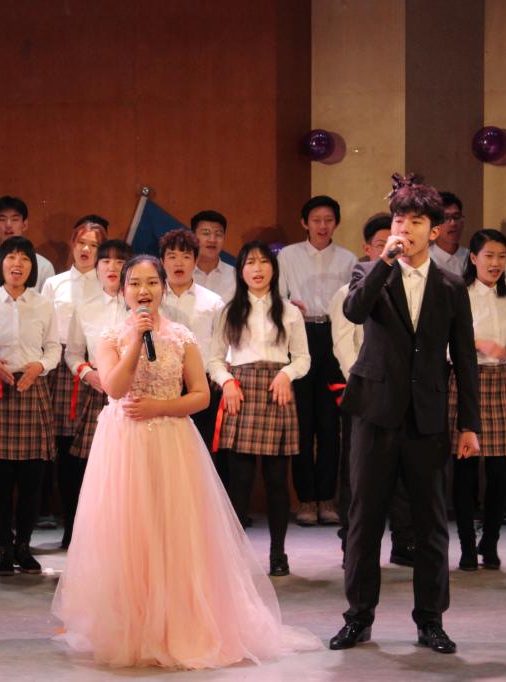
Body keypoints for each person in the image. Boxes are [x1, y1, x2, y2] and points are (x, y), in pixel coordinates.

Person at [53, 254, 320, 669]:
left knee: (173, 532)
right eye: (134, 283)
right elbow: (114, 387)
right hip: (123, 444)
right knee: (128, 532)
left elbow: (201, 395)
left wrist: (161, 407)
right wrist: (135, 343)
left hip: (172, 440)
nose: (143, 291)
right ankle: (132, 624)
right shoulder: (109, 336)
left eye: (151, 283)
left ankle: (179, 623)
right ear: (123, 290)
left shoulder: (182, 336)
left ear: (163, 288)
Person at [331, 175, 480, 655]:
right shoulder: (368, 271)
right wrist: (384, 261)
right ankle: (358, 617)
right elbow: (354, 312)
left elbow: (465, 358)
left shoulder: (451, 286)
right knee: (364, 519)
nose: (405, 229)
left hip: (427, 417)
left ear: (433, 231)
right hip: (373, 412)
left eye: (416, 222)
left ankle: (431, 621)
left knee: (430, 524)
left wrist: (469, 424)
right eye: (399, 220)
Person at [208, 242, 310, 576]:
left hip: (276, 391)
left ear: (273, 269)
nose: (257, 268)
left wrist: (286, 374)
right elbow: (214, 359)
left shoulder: (289, 311)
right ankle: (236, 558)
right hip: (240, 391)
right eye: (250, 262)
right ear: (240, 271)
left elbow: (303, 359)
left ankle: (278, 554)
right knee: (239, 480)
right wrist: (227, 382)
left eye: (264, 262)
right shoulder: (229, 311)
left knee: (277, 480)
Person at [329, 216, 414, 567]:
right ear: (368, 249)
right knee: (358, 473)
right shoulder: (349, 289)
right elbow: (343, 343)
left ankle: (404, 541)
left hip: (402, 390)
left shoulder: (413, 285)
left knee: (403, 470)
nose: (392, 248)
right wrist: (363, 380)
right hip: (364, 390)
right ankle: (353, 544)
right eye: (382, 244)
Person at [0, 236, 61, 576]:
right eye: (11, 257)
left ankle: (24, 546)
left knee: (32, 479)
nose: (18, 263)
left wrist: (40, 366)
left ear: (32, 267)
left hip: (32, 388)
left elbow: (53, 348)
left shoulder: (43, 305)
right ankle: (4, 548)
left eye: (25, 258)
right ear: (1, 264)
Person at [278, 196, 357, 526]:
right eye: (316, 220)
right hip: (299, 335)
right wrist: (288, 305)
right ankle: (306, 500)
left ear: (335, 223)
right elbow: (276, 297)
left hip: (334, 338)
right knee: (302, 422)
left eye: (328, 220)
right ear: (304, 223)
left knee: (329, 423)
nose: (322, 226)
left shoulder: (349, 259)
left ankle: (327, 498)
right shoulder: (287, 255)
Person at [450, 230, 506, 570]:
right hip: (467, 380)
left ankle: (490, 542)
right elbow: (445, 346)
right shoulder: (459, 294)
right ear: (474, 258)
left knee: (500, 472)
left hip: (500, 380)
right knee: (465, 470)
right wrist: (479, 344)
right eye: (489, 255)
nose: (496, 263)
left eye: (502, 256)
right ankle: (467, 546)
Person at [60, 239, 131, 548]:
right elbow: (73, 353)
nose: (112, 267)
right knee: (86, 464)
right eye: (106, 261)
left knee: (126, 466)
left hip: (131, 395)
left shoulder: (140, 307)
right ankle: (79, 531)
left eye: (120, 261)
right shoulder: (86, 307)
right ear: (97, 267)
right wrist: (88, 374)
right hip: (96, 393)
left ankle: (121, 532)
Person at [40, 218, 106, 533]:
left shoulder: (107, 283)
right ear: (72, 244)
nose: (86, 250)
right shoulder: (55, 283)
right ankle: (69, 521)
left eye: (94, 245)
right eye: (82, 242)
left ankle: (92, 524)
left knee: (93, 448)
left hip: (97, 366)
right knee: (63, 445)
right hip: (61, 367)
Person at [159, 228, 227, 485]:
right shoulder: (153, 298)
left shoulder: (213, 302)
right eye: (172, 256)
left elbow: (221, 347)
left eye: (186, 256)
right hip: (162, 385)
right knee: (164, 454)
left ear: (196, 261)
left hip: (201, 385)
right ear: (162, 261)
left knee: (199, 455)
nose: (179, 262)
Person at [0, 196, 55, 291]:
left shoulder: (43, 266)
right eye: (2, 219)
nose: (8, 225)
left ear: (24, 225)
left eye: (14, 219)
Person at [191, 210, 237, 302]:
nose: (212, 240)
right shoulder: (181, 274)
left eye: (218, 234)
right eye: (206, 233)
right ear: (193, 236)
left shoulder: (235, 276)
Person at [428, 192, 468, 277]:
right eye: (446, 218)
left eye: (456, 216)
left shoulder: (471, 258)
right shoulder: (425, 259)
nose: (453, 223)